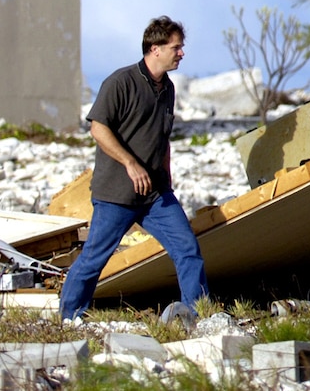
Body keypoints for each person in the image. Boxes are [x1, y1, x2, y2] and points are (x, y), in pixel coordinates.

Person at [58, 16, 209, 319]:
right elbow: (98, 129)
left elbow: (161, 137)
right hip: (116, 194)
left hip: (156, 196)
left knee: (188, 250)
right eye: (176, 47)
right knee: (94, 258)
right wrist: (130, 163)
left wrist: (166, 180)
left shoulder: (167, 88)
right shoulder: (120, 82)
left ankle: (198, 316)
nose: (181, 53)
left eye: (181, 47)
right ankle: (68, 318)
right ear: (155, 48)